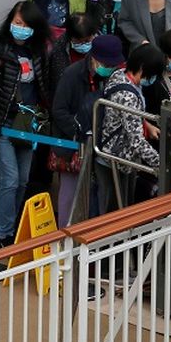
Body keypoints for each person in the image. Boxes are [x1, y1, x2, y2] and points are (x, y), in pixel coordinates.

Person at [0, 1, 51, 247]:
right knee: (9, 178)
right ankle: (3, 233)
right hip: (3, 123)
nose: (21, 28)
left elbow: (43, 88)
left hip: (28, 125)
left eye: (26, 25)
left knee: (22, 180)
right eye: (17, 23)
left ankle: (13, 225)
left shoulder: (38, 51)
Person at [51, 34, 124, 223]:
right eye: (106, 64)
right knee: (70, 194)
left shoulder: (114, 76)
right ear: (94, 58)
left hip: (100, 145)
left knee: (95, 194)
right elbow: (58, 110)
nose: (109, 69)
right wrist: (80, 132)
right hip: (73, 145)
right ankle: (65, 239)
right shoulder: (71, 75)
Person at [97, 44, 165, 210]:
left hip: (119, 156)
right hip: (115, 158)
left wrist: (146, 125)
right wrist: (161, 164)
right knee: (115, 212)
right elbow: (136, 141)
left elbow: (128, 116)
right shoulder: (127, 95)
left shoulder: (120, 75)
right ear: (142, 68)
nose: (152, 78)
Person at [46, 12, 99, 113]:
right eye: (79, 42)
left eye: (87, 41)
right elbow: (57, 82)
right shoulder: (58, 50)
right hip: (70, 103)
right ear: (70, 37)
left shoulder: (101, 46)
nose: (83, 45)